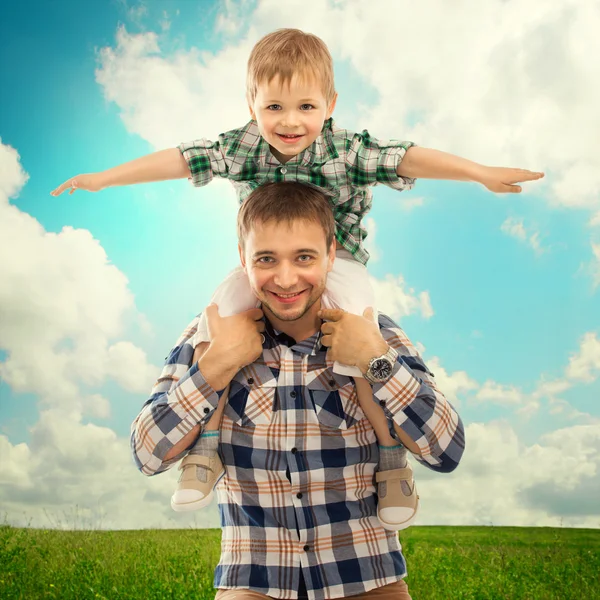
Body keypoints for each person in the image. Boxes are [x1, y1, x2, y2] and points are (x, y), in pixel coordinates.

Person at [53, 29, 541, 529]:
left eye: (306, 106)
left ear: (330, 104)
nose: (290, 122)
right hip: (261, 260)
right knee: (215, 321)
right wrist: (102, 178)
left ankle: (392, 462)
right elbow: (181, 159)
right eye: (274, 108)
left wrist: (478, 170)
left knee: (358, 334)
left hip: (342, 263)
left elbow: (406, 156)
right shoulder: (239, 147)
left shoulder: (347, 150)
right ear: (251, 104)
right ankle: (203, 451)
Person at [130, 181, 465, 599]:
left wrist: (375, 361)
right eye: (266, 259)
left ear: (330, 255)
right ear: (243, 259)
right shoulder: (209, 336)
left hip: (367, 578)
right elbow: (146, 455)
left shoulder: (374, 329)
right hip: (253, 583)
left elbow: (446, 451)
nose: (285, 280)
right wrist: (215, 366)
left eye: (303, 257)